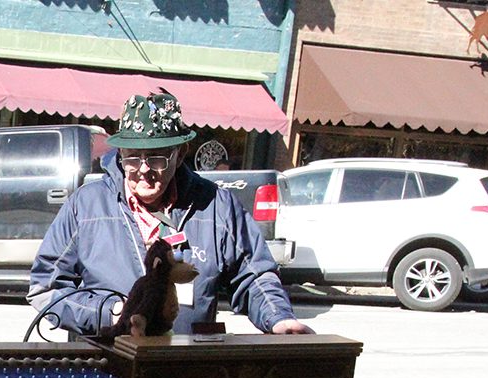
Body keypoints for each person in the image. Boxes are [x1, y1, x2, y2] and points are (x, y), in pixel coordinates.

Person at [29, 91, 310, 336]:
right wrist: (109, 312)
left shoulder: (217, 206)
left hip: (183, 366)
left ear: (180, 153)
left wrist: (279, 318)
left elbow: (255, 275)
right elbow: (45, 288)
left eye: (157, 158)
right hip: (108, 364)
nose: (143, 169)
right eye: (132, 157)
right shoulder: (85, 205)